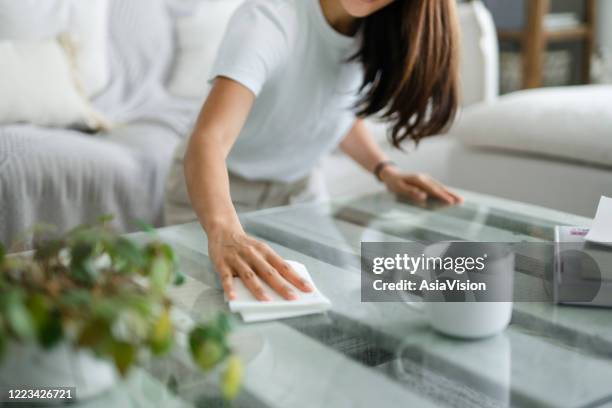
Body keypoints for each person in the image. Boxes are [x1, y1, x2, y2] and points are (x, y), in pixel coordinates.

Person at [164, 0, 464, 302]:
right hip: (218, 195)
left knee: (339, 297)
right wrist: (225, 231)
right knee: (218, 310)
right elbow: (208, 141)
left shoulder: (376, 30)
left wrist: (385, 170)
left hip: (298, 192)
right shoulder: (270, 18)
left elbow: (335, 114)